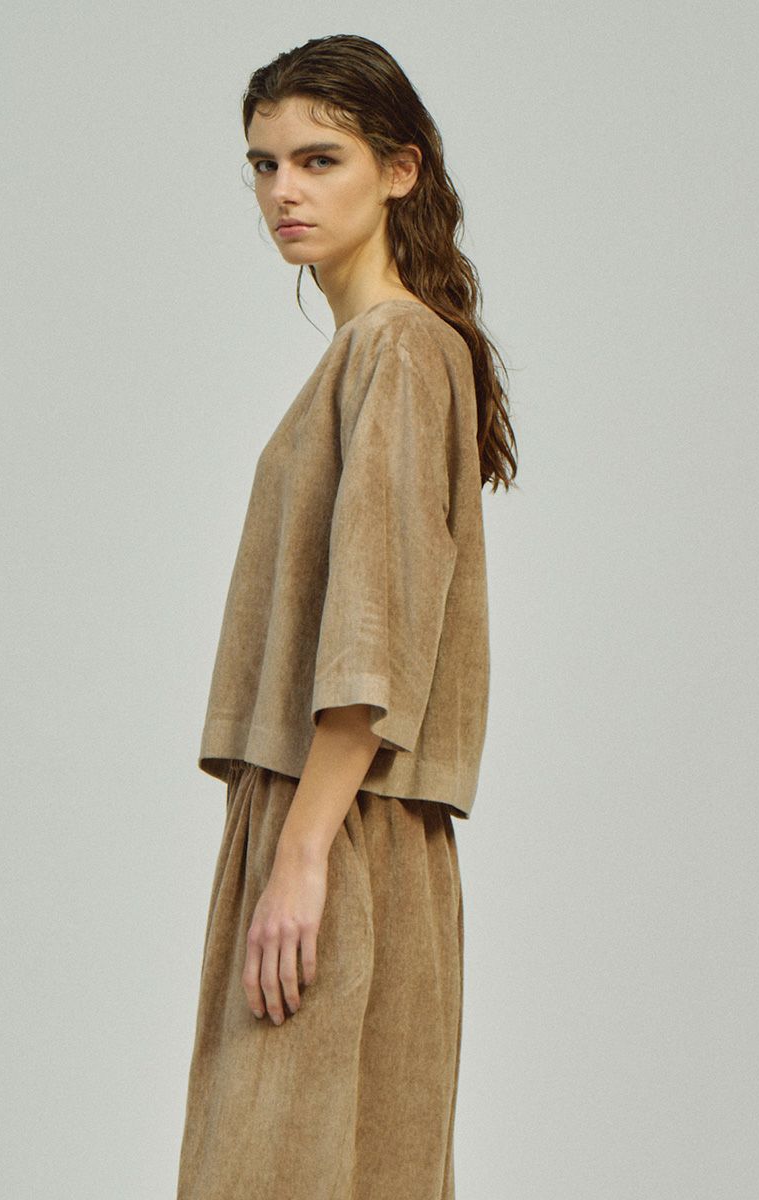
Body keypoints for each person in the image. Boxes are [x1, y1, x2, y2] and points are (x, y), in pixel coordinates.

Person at [175, 33, 517, 1200]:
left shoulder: (400, 350)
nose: (285, 191)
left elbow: (373, 640)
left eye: (319, 160)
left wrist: (301, 857)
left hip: (344, 827)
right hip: (333, 823)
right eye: (264, 164)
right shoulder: (375, 354)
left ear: (399, 170)